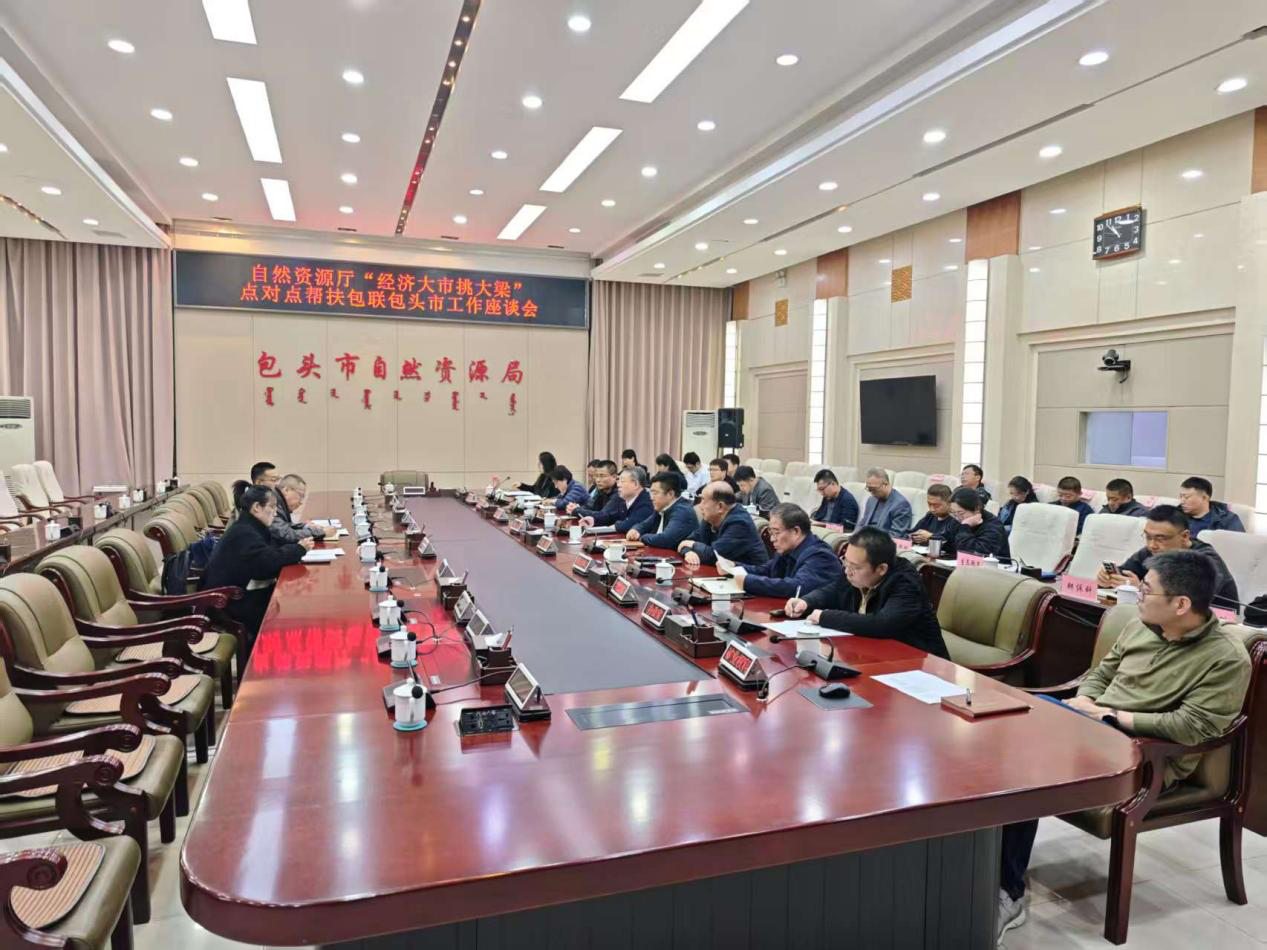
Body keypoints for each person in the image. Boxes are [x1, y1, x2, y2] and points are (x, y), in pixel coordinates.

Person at [997, 550, 1251, 941]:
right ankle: (971, 862)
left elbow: (1192, 727)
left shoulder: (1226, 658)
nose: (1137, 594)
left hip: (1142, 756)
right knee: (997, 738)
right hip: (1092, 728)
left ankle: (1007, 891)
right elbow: (1101, 674)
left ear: (1181, 604)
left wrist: (1112, 716)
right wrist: (1087, 703)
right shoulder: (1141, 625)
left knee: (1022, 770)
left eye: (1146, 590)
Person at [786, 527, 949, 658]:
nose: (847, 571)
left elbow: (883, 624)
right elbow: (834, 590)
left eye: (854, 567)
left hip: (918, 664)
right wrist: (807, 602)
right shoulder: (854, 569)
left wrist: (825, 617)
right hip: (873, 654)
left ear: (881, 569)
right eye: (845, 562)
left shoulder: (906, 582)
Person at [200, 482, 312, 648]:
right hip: (226, 602)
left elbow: (268, 554)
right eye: (272, 507)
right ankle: (262, 658)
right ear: (257, 507)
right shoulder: (245, 533)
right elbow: (267, 563)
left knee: (286, 600)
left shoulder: (250, 526)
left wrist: (294, 549)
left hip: (237, 593)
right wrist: (298, 549)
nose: (275, 512)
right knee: (286, 611)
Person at [1097, 505, 1239, 610]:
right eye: (1148, 536)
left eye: (1160, 538)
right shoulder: (1152, 550)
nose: (1152, 545)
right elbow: (1126, 573)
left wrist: (1141, 590)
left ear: (1184, 536)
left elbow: (1188, 602)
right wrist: (1109, 578)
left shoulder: (1205, 560)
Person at [718, 503, 839, 599]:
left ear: (796, 531)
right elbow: (766, 570)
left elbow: (795, 587)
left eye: (776, 533)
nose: (772, 539)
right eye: (771, 533)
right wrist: (733, 567)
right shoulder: (787, 549)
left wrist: (748, 582)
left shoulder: (820, 556)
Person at [678, 482, 767, 567]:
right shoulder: (711, 518)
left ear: (720, 506)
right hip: (720, 573)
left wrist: (693, 545)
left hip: (750, 575)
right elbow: (686, 542)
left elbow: (715, 556)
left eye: (704, 500)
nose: (700, 506)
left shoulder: (740, 523)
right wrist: (688, 552)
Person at [627, 471, 698, 549]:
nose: (651, 498)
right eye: (651, 493)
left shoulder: (682, 511)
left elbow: (665, 540)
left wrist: (642, 537)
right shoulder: (662, 507)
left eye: (655, 493)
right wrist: (635, 530)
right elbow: (643, 525)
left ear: (670, 494)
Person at [578, 467, 652, 533]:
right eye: (618, 481)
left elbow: (631, 524)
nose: (618, 485)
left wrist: (615, 526)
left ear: (636, 484)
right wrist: (594, 520)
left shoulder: (647, 501)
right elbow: (610, 516)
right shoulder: (624, 500)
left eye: (622, 481)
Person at [945, 488, 1009, 558]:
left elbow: (974, 553)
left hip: (991, 564)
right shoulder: (958, 520)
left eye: (961, 513)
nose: (958, 517)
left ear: (976, 509)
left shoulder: (993, 526)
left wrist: (965, 527)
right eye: (954, 513)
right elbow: (946, 540)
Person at [270, 474, 329, 543]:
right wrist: (320, 532)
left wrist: (305, 526)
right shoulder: (272, 503)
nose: (301, 502)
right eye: (300, 496)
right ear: (286, 490)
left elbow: (286, 525)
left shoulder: (278, 501)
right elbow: (286, 535)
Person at [857, 468, 912, 538]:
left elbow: (896, 535)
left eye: (874, 489)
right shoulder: (871, 500)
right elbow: (862, 524)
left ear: (885, 484)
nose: (871, 493)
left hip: (882, 542)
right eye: (869, 489)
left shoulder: (901, 505)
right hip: (865, 540)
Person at [1179, 476, 1245, 534]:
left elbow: (1238, 542)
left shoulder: (1227, 519)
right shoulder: (1176, 515)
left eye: (1186, 497)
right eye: (1181, 496)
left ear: (1204, 498)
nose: (1182, 501)